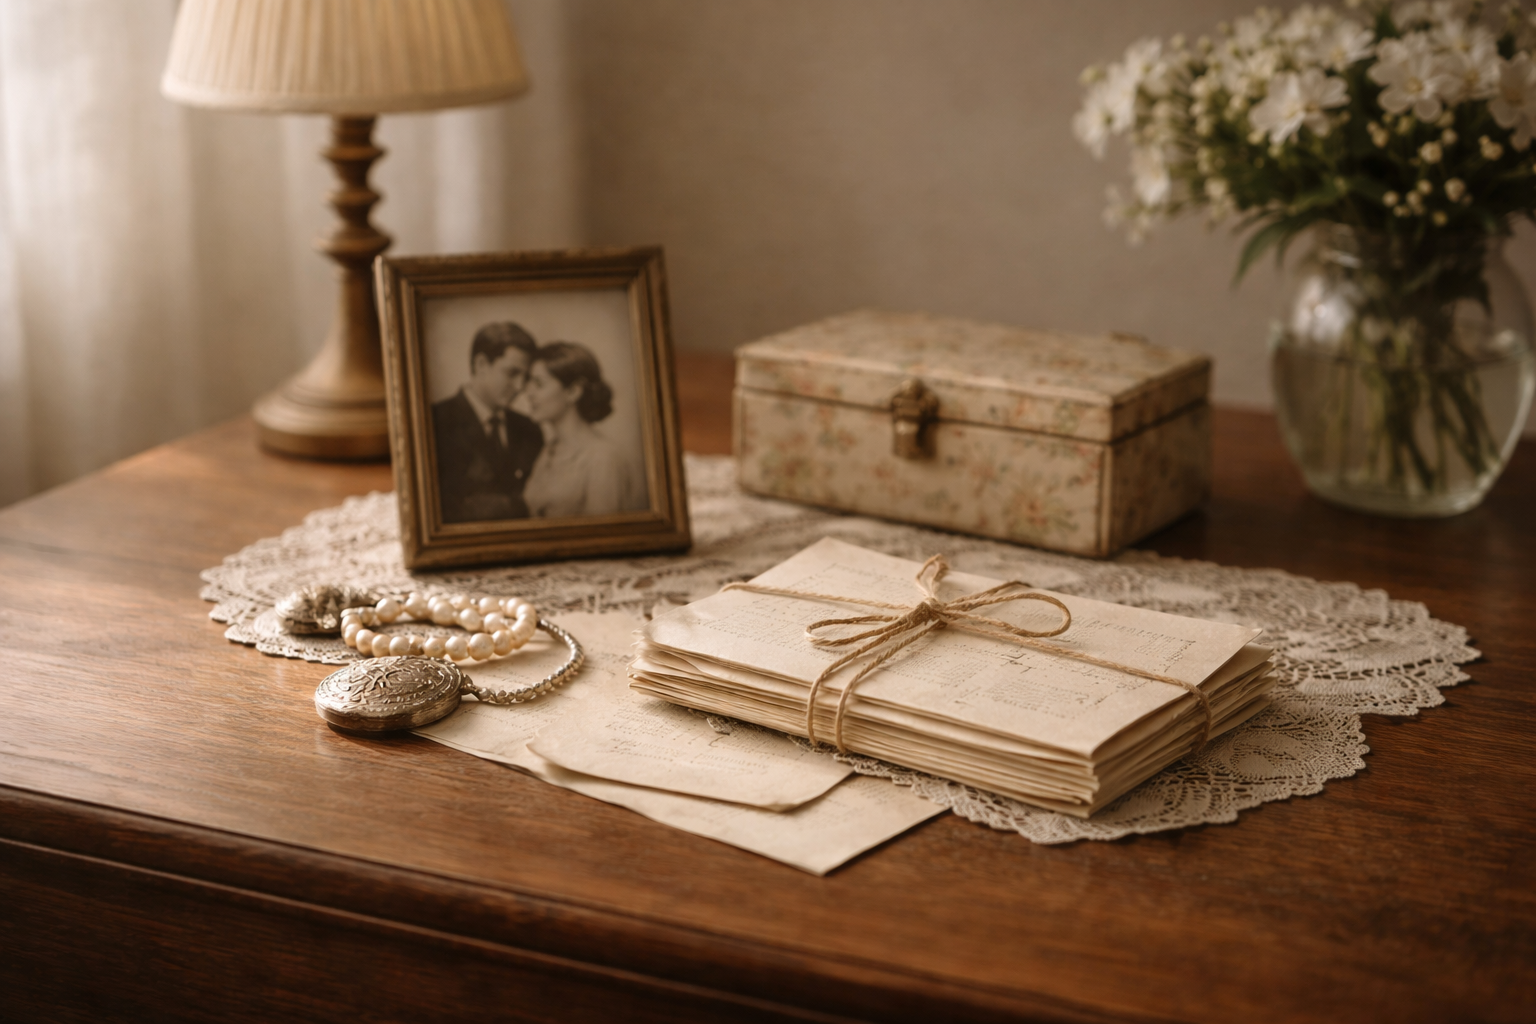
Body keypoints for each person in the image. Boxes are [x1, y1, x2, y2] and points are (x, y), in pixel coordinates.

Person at [432, 322, 544, 523]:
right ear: (481, 364)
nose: (520, 387)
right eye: (512, 373)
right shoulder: (436, 422)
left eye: (525, 377)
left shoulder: (529, 428)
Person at [520, 341, 644, 518]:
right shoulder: (549, 451)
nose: (529, 393)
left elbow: (603, 538)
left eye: (539, 384)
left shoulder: (603, 459)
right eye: (529, 383)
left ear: (573, 392)